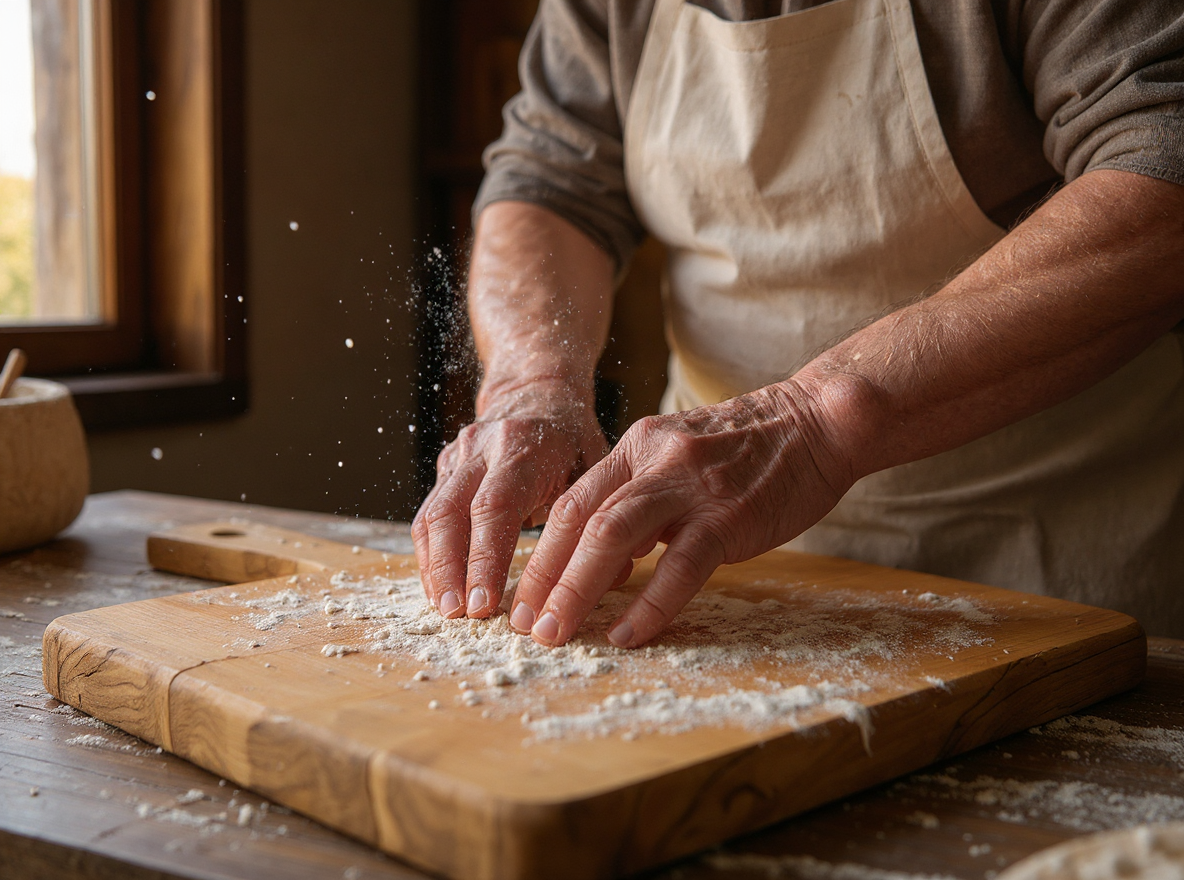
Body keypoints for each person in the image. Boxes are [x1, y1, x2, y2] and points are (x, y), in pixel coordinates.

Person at [413, 0, 1184, 647]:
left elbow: (1163, 163)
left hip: (1053, 563)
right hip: (718, 574)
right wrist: (532, 383)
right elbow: (550, 180)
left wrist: (818, 419)